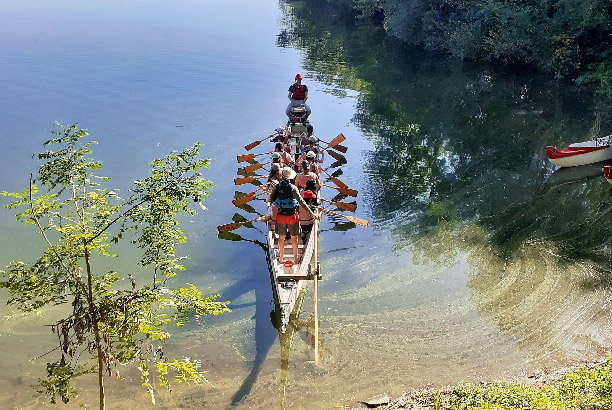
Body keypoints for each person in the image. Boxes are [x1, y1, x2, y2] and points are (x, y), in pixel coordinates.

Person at [269, 167, 318, 264]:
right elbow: (302, 202)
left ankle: (281, 258)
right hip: (292, 216)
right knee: (294, 237)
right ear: (290, 177)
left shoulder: (276, 187)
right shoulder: (293, 188)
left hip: (280, 217)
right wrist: (311, 212)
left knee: (281, 238)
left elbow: (271, 201)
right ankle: (295, 259)